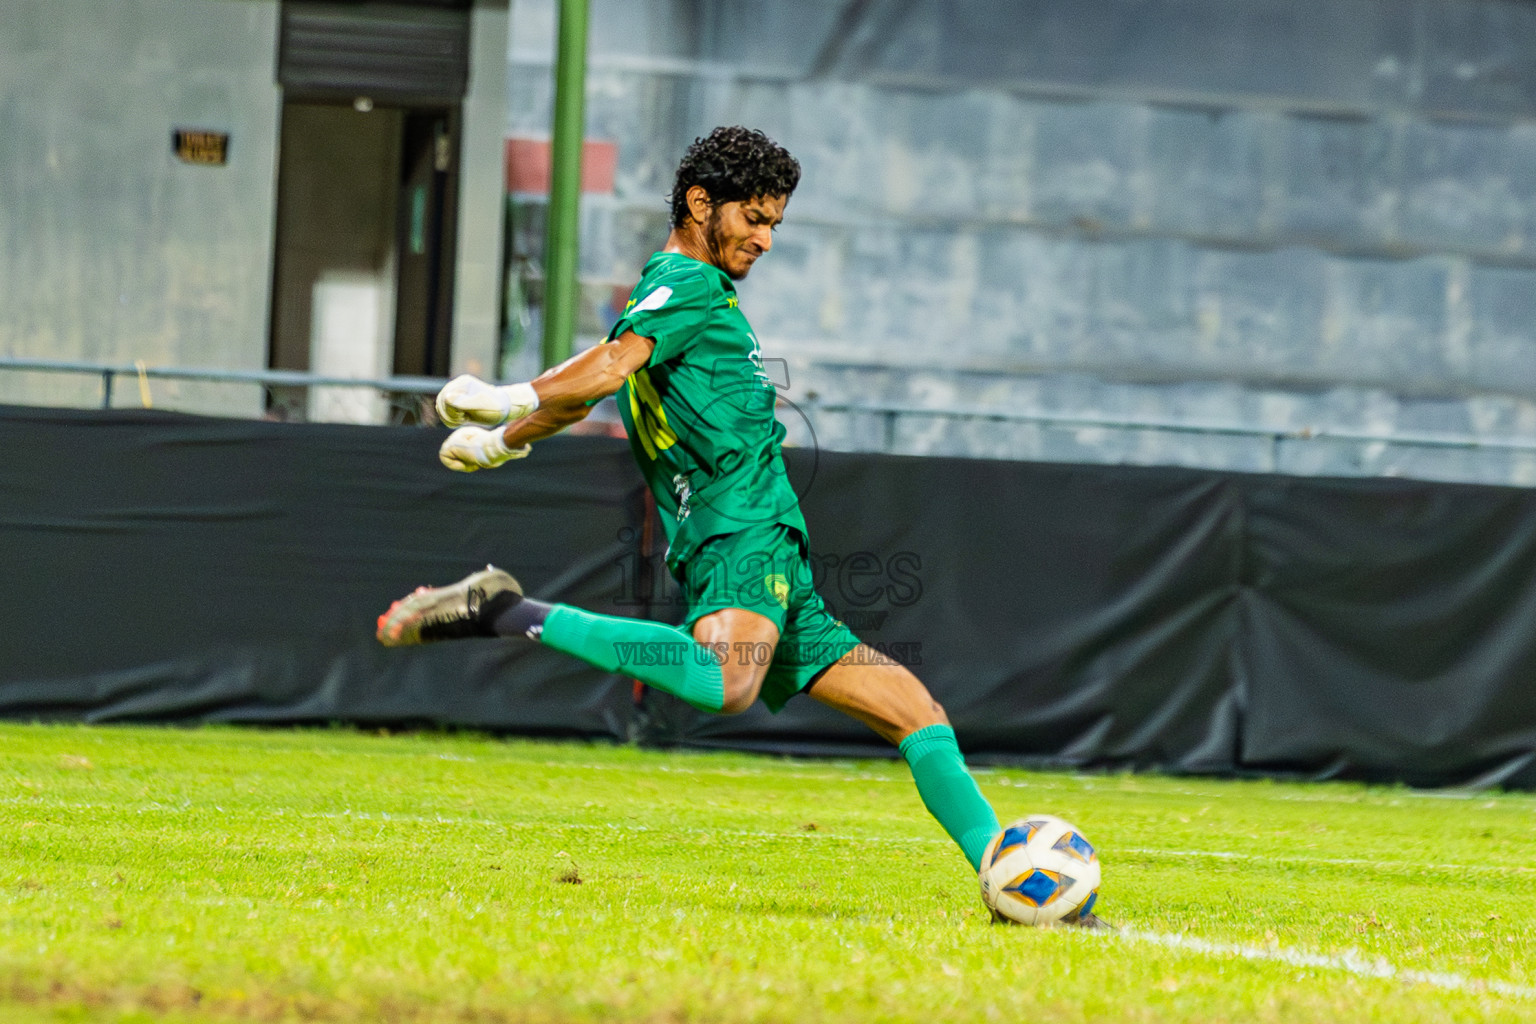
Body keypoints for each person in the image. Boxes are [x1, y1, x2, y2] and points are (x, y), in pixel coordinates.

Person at [377, 126, 1105, 927]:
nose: (764, 238)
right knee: (729, 682)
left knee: (916, 713)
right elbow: (611, 369)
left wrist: (499, 442)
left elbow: (591, 385)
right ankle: (509, 612)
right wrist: (511, 402)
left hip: (777, 553)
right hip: (738, 531)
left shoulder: (679, 298)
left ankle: (1015, 888)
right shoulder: (684, 285)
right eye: (754, 218)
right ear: (700, 204)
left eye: (774, 224)